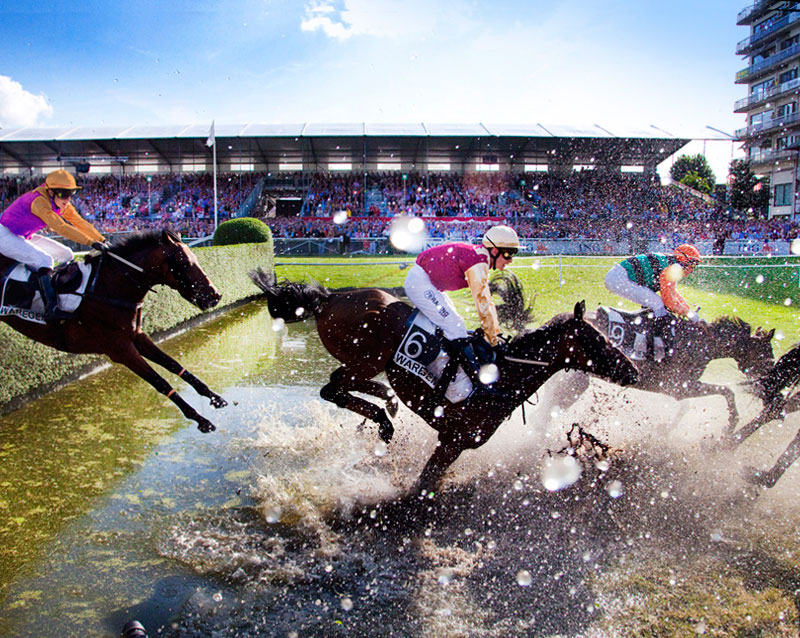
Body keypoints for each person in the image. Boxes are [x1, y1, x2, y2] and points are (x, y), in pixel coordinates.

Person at [404, 224, 520, 397]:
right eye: (508, 253)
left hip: (428, 283)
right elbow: (484, 304)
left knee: (457, 324)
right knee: (455, 326)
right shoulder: (479, 261)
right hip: (422, 283)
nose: (510, 260)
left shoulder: (481, 258)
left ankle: (452, 375)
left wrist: (494, 335)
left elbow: (486, 303)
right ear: (494, 251)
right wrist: (494, 341)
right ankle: (453, 384)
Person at [0, 169, 107, 322]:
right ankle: (51, 308)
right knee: (45, 260)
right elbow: (61, 227)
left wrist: (101, 240)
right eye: (63, 194)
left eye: (71, 194)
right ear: (50, 191)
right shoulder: (39, 201)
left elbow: (79, 222)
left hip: (24, 236)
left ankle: (56, 291)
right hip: (5, 235)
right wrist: (90, 242)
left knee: (67, 254)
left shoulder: (61, 202)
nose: (67, 199)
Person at [604, 243, 702, 357]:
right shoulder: (672, 267)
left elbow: (673, 293)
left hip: (618, 276)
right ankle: (655, 348)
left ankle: (648, 340)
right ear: (684, 260)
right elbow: (669, 301)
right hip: (618, 278)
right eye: (693, 264)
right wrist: (688, 314)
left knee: (655, 305)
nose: (692, 270)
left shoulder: (671, 264)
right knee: (657, 304)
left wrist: (687, 309)